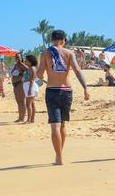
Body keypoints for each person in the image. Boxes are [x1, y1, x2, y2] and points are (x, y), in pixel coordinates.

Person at [37, 30, 90, 166]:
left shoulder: (45, 53)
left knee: (55, 126)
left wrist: (42, 75)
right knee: (63, 125)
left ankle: (59, 158)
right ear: (63, 40)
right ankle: (59, 155)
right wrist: (85, 88)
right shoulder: (69, 53)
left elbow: (40, 73)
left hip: (52, 91)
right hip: (67, 91)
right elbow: (78, 71)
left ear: (52, 40)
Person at [23, 55, 39, 124]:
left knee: (28, 104)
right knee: (32, 104)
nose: (25, 61)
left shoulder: (32, 68)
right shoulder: (31, 68)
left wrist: (29, 90)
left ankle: (29, 120)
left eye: (26, 60)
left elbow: (32, 79)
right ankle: (32, 119)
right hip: (29, 86)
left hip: (30, 86)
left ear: (30, 61)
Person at [11, 54, 27, 123]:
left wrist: (24, 77)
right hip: (15, 84)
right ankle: (20, 117)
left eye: (18, 57)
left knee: (22, 101)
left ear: (21, 58)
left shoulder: (22, 65)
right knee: (18, 102)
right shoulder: (15, 65)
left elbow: (29, 70)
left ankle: (22, 118)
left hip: (20, 84)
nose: (17, 58)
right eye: (16, 57)